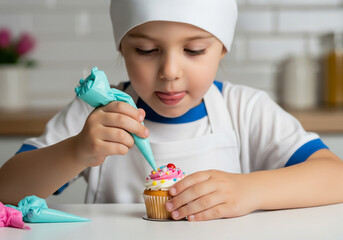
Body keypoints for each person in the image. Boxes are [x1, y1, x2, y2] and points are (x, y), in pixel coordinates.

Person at [1, 0, 343, 222]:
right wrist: (77, 150)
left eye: (193, 50)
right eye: (147, 50)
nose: (169, 71)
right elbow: (6, 191)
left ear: (222, 49)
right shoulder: (97, 114)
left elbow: (335, 177)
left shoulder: (245, 109)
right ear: (122, 48)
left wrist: (249, 191)